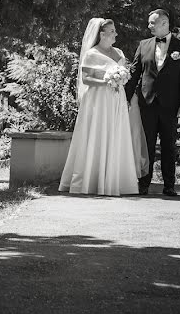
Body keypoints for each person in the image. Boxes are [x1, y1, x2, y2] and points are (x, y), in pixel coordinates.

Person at [59, 18, 146, 196]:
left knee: (116, 134)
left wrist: (121, 79)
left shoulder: (119, 52)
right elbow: (86, 79)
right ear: (102, 34)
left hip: (116, 99)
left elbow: (125, 74)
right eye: (112, 30)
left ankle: (116, 180)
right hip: (98, 100)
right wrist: (107, 80)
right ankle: (93, 180)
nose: (116, 34)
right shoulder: (91, 54)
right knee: (98, 134)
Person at [126, 8, 180, 196]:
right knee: (145, 144)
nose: (149, 26)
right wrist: (124, 98)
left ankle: (169, 185)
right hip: (146, 103)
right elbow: (134, 73)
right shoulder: (144, 44)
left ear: (164, 23)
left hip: (171, 104)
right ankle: (143, 183)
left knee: (168, 145)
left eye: (152, 23)